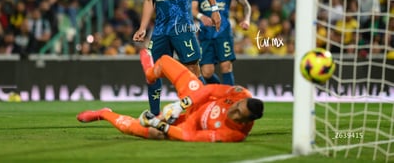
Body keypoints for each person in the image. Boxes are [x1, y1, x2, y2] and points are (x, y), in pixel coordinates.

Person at [77, 49, 264, 142]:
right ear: (243, 100)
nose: (234, 112)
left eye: (240, 115)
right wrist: (183, 103)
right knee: (165, 61)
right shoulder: (240, 94)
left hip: (188, 122)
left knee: (147, 131)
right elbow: (209, 90)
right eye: (237, 107)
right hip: (197, 98)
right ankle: (150, 74)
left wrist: (160, 124)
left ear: (248, 121)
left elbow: (189, 136)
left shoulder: (234, 135)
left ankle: (104, 114)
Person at [132, 0, 221, 116]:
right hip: (160, 30)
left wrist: (214, 10)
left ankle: (205, 110)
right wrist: (142, 27)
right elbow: (149, 1)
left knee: (192, 70)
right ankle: (155, 116)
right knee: (153, 72)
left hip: (182, 27)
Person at [192, 0, 251, 85]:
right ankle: (220, 92)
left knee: (226, 66)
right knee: (206, 72)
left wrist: (246, 19)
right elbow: (193, 9)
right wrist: (201, 16)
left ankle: (229, 101)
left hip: (223, 31)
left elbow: (246, 5)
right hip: (205, 33)